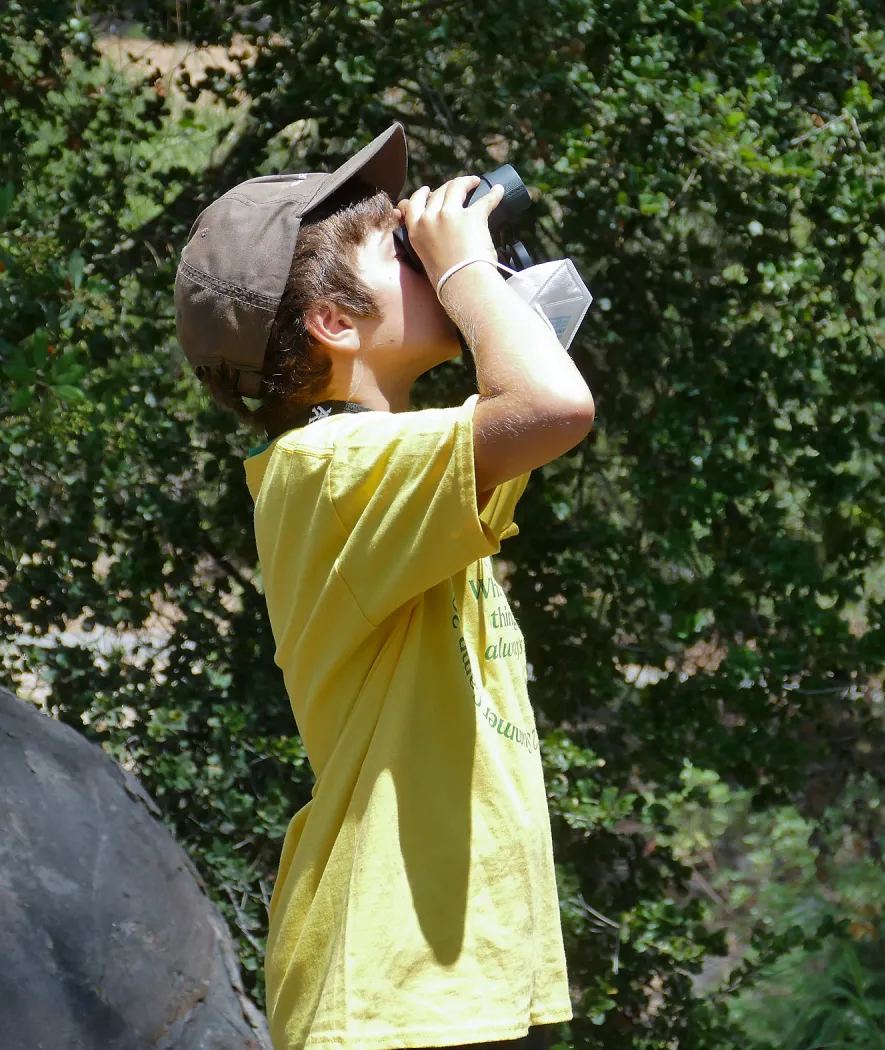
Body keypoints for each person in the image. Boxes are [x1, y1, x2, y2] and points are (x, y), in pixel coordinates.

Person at [174, 123, 594, 1050]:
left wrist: (484, 277)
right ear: (332, 320)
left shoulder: (385, 472)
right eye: (398, 249)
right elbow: (554, 407)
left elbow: (531, 391)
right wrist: (465, 270)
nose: (426, 250)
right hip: (388, 984)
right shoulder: (327, 470)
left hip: (447, 979)